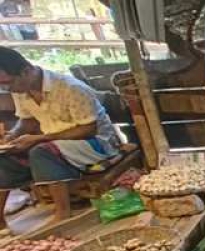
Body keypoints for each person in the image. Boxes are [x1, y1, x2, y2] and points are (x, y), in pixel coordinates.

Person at [0, 46, 121, 231]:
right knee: (4, 157)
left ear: (25, 71)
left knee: (41, 151)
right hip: (55, 143)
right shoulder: (22, 91)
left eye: (8, 83)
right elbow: (27, 120)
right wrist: (12, 136)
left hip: (96, 144)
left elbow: (88, 129)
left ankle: (63, 213)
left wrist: (38, 139)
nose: (7, 88)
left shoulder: (70, 88)